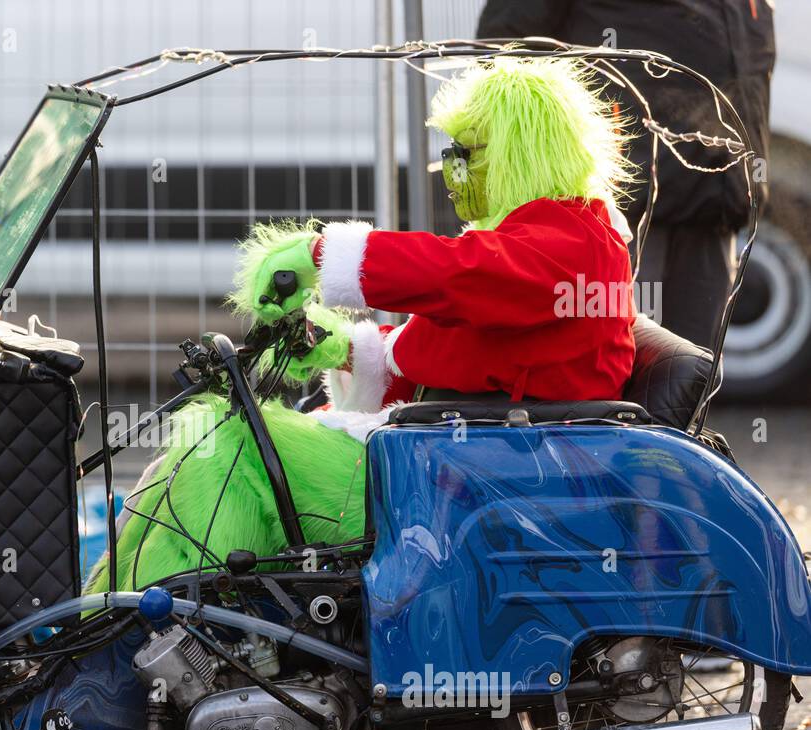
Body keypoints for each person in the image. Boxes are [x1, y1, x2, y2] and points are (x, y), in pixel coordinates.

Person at [88, 56, 637, 592]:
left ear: (520, 154)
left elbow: (455, 274)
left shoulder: (569, 244)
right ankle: (118, 614)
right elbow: (455, 350)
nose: (455, 172)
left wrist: (319, 254)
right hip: (465, 459)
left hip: (470, 480)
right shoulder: (557, 236)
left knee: (229, 449)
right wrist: (343, 350)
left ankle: (134, 638)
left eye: (466, 154)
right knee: (209, 445)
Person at [477, 0, 775, 351]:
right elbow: (504, 53)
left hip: (714, 207)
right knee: (614, 377)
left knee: (694, 380)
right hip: (616, 217)